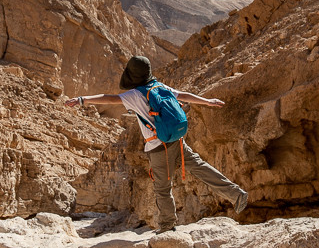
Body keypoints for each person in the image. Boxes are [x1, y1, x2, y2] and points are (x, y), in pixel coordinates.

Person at [65, 55, 248, 232]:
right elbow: (183, 95)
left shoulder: (135, 95)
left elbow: (110, 98)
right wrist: (207, 101)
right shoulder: (159, 86)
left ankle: (168, 225)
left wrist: (83, 100)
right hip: (177, 140)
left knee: (162, 188)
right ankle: (237, 194)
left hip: (158, 147)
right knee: (201, 168)